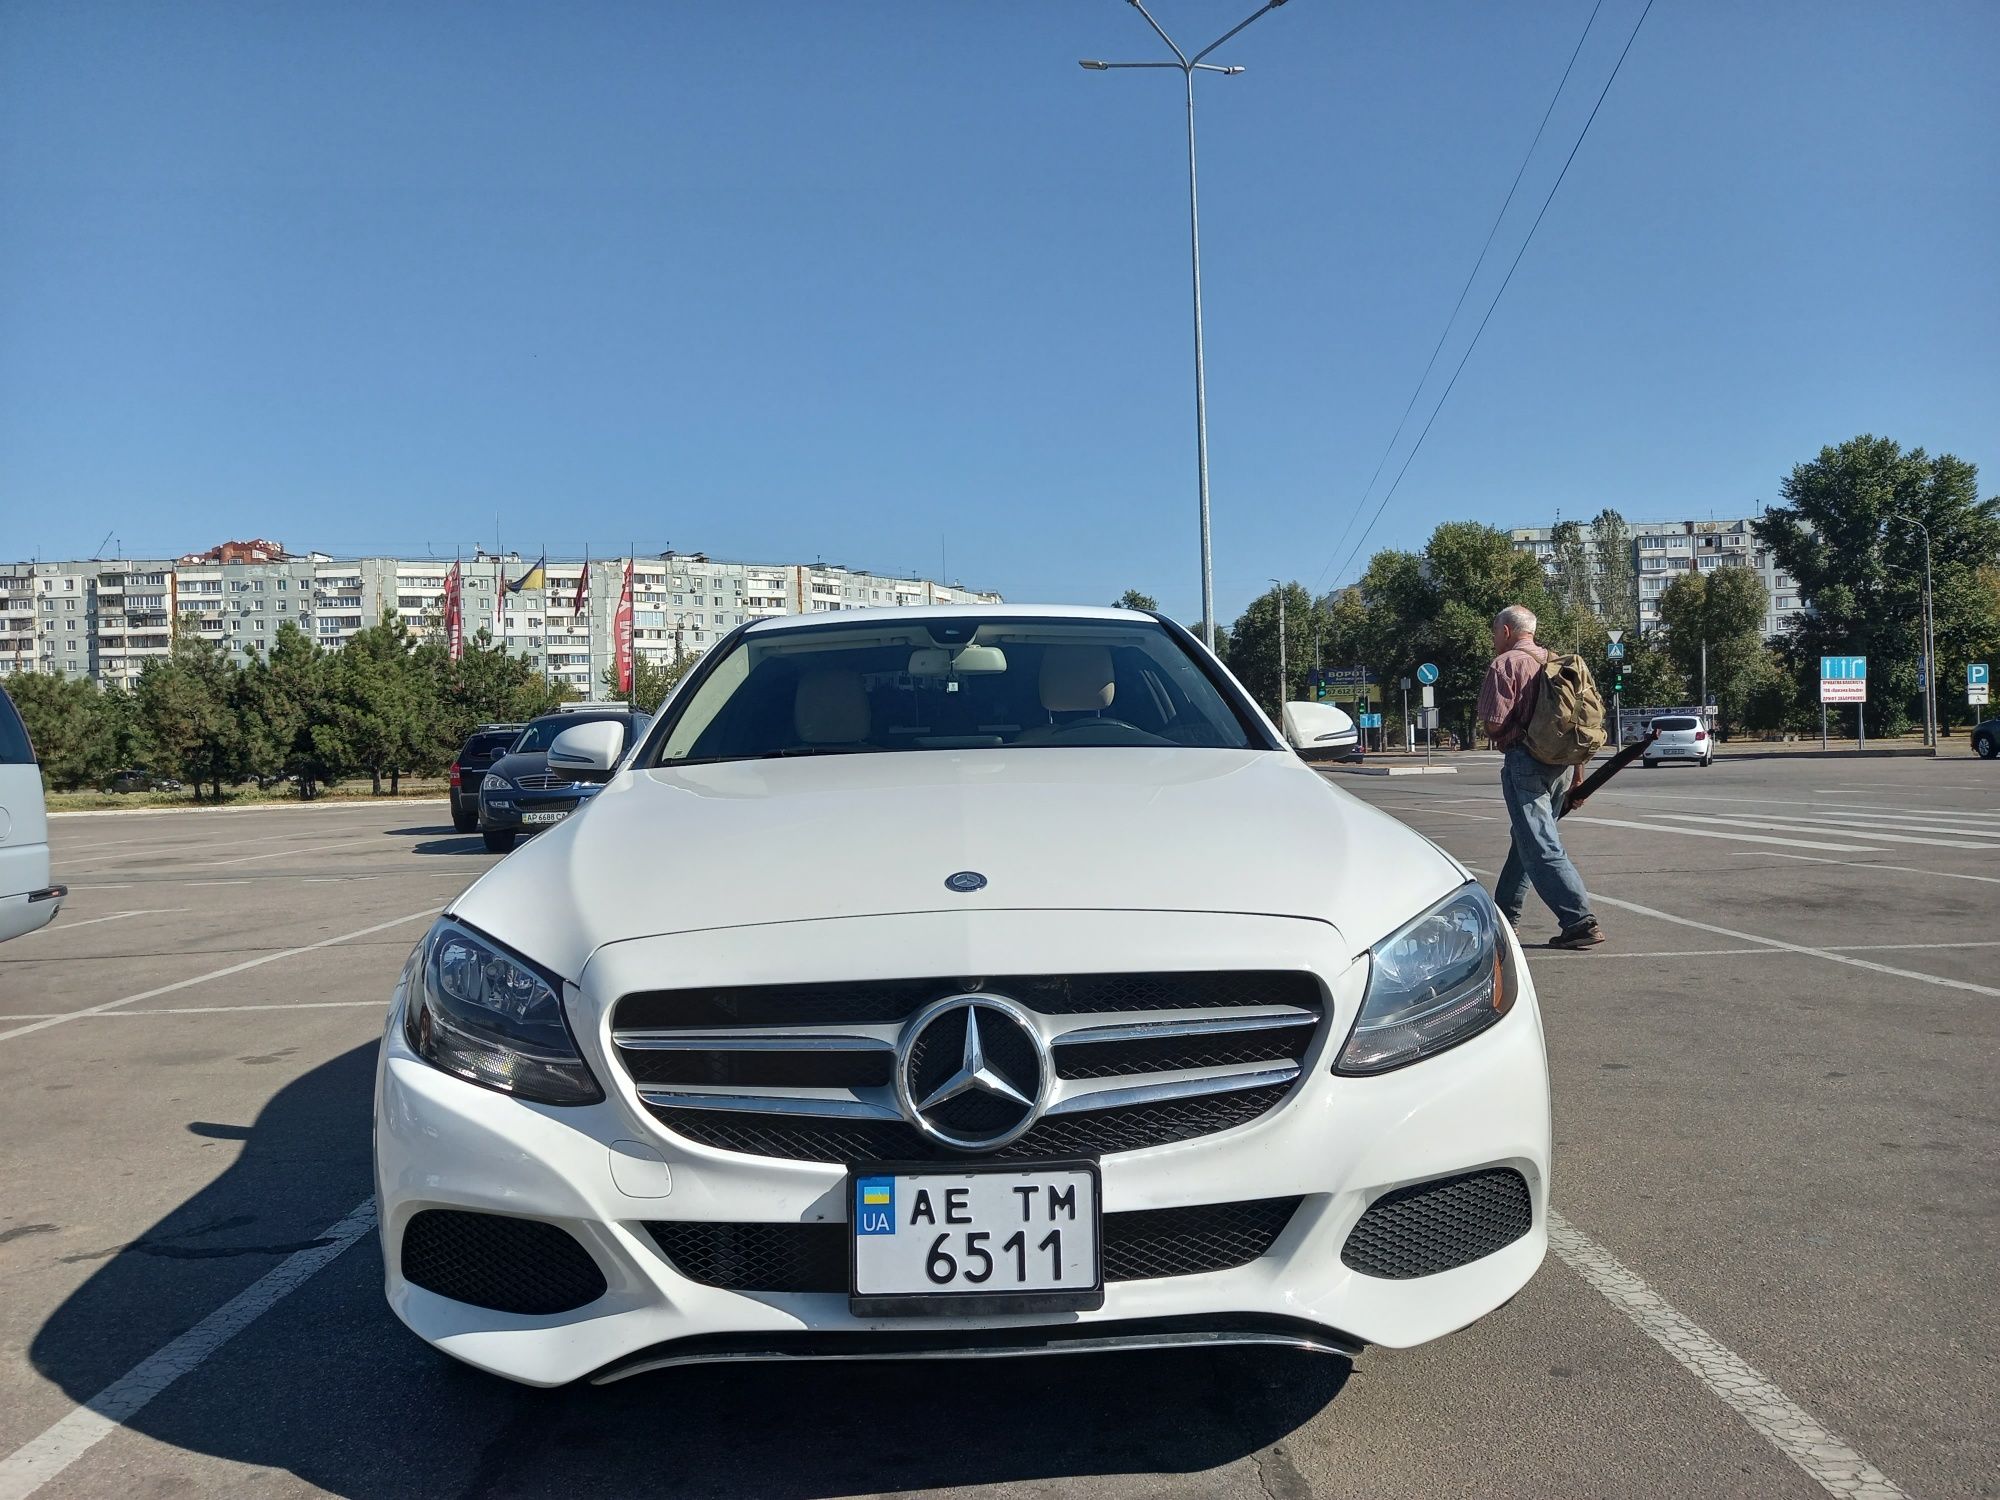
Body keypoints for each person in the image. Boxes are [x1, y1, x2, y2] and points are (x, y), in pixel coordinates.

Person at [1477, 605, 1605, 949]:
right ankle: (1503, 919)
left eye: (1494, 632)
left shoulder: (1506, 664)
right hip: (1563, 765)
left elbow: (1493, 723)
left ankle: (1579, 921)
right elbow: (1579, 726)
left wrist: (1509, 727)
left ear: (1505, 631)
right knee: (1526, 842)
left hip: (1525, 762)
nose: (1493, 639)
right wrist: (1579, 778)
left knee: (1540, 844)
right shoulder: (1559, 663)